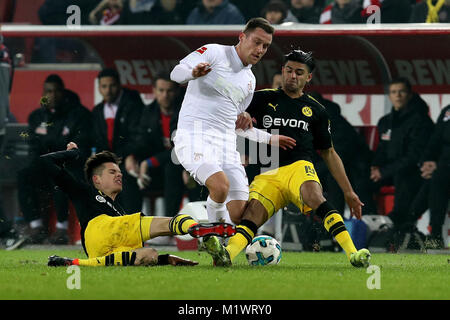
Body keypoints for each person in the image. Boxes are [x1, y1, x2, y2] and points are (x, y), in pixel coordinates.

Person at [203, 49, 370, 268]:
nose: (293, 76)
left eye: (299, 72)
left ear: (308, 77)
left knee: (313, 194)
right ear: (282, 71)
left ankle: (353, 254)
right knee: (251, 215)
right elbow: (227, 114)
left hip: (298, 167)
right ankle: (226, 256)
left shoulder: (316, 110)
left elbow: (329, 152)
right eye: (289, 70)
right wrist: (241, 114)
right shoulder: (262, 98)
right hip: (268, 171)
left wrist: (349, 192)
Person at [170, 18, 295, 227]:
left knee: (240, 213)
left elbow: (237, 124)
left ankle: (223, 234)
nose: (260, 49)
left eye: (265, 46)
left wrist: (269, 138)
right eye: (256, 42)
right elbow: (176, 73)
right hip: (194, 137)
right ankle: (215, 237)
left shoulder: (250, 80)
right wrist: (192, 73)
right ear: (242, 37)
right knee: (220, 187)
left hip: (226, 145)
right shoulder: (213, 52)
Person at [47, 142, 236, 267]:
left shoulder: (119, 212)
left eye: (119, 171)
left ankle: (73, 263)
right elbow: (46, 163)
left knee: (150, 254)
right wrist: (71, 154)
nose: (119, 174)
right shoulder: (85, 192)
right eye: (112, 172)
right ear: (96, 180)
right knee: (168, 222)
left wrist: (168, 259)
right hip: (98, 228)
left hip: (100, 250)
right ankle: (196, 228)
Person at [15, 74, 92, 246]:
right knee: (24, 175)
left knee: (59, 174)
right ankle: (35, 226)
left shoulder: (77, 114)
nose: (53, 95)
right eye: (49, 91)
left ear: (64, 93)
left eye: (57, 91)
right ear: (43, 93)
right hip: (44, 166)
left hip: (69, 166)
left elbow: (78, 147)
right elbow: (35, 147)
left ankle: (62, 228)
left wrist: (50, 143)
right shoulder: (36, 116)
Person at [370, 78, 435, 242]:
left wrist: (384, 171)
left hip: (412, 171)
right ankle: (368, 221)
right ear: (389, 96)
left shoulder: (421, 121)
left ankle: (396, 222)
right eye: (393, 92)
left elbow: (414, 157)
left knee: (404, 175)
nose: (397, 95)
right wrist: (375, 167)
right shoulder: (385, 122)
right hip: (389, 170)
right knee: (359, 177)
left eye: (402, 91)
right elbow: (381, 150)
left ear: (410, 95)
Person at [125, 72, 185, 217]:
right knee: (127, 174)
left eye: (169, 91)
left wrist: (149, 163)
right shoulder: (148, 112)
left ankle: (169, 227)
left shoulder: (186, 112)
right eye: (161, 90)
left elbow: (181, 150)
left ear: (176, 92)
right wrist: (131, 156)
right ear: (154, 91)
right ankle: (132, 223)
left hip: (182, 169)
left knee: (172, 167)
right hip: (156, 170)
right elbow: (140, 141)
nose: (165, 95)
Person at [91, 68, 144, 213]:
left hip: (130, 158)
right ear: (99, 88)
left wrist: (127, 155)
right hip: (110, 160)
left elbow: (139, 136)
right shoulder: (97, 111)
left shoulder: (133, 105)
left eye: (112, 86)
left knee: (124, 179)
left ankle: (131, 224)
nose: (108, 91)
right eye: (104, 86)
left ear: (119, 85)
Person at [408, 104, 450, 249]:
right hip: (442, 167)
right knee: (430, 178)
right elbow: (435, 139)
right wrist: (426, 162)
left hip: (444, 167)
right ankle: (409, 225)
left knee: (438, 178)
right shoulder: (448, 111)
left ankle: (432, 232)